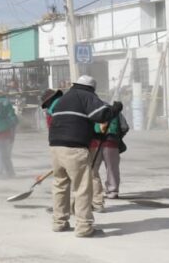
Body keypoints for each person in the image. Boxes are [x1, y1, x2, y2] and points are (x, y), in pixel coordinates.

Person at [46, 75, 123, 238]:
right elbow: (101, 115)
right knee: (82, 187)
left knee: (60, 184)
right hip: (74, 147)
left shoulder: (64, 98)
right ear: (91, 88)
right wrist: (115, 109)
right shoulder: (87, 96)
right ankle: (83, 227)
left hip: (55, 145)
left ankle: (59, 222)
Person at [92, 111, 129, 201]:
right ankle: (113, 191)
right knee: (112, 168)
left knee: (92, 169)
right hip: (111, 142)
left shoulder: (92, 110)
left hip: (95, 143)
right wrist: (118, 136)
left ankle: (94, 190)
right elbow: (125, 127)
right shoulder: (115, 112)